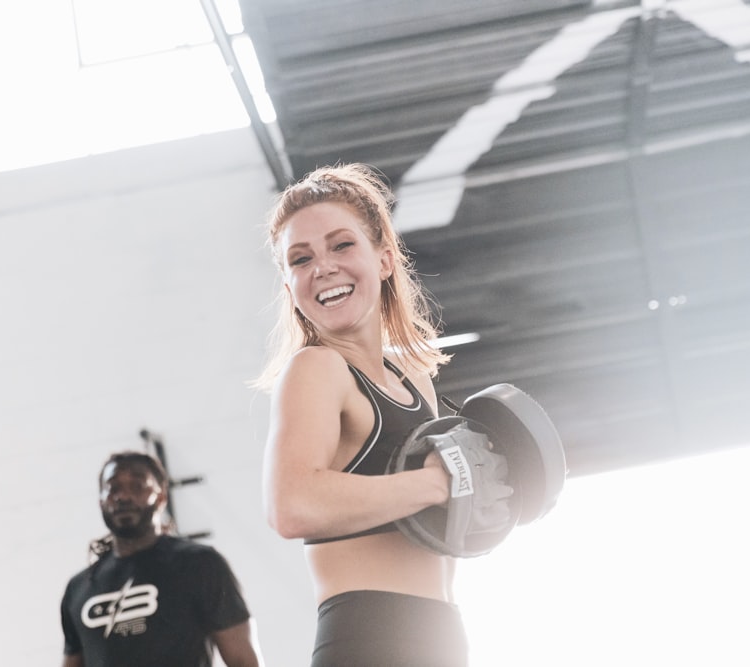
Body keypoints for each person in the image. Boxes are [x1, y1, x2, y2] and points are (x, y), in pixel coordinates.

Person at [256, 163, 469, 666]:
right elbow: (291, 505)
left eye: (341, 245)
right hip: (369, 639)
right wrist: (438, 483)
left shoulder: (414, 381)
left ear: (386, 258)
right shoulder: (316, 368)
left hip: (441, 633)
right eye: (300, 258)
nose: (322, 266)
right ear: (290, 287)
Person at [60, 450, 263, 667]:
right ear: (101, 501)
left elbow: (244, 661)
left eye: (137, 486)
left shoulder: (200, 564)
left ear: (161, 498)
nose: (123, 496)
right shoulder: (79, 588)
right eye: (113, 488)